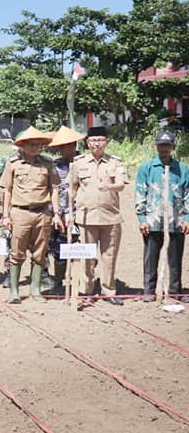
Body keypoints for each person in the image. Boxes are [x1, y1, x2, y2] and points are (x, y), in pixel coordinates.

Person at [0, 127, 62, 303]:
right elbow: (8, 190)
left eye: (38, 144)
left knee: (40, 253)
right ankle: (14, 291)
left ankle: (36, 290)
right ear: (22, 146)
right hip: (20, 213)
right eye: (30, 144)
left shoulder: (48, 164)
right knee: (17, 252)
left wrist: (56, 214)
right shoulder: (13, 164)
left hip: (43, 213)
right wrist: (5, 216)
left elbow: (54, 189)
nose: (35, 147)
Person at [69, 126, 128, 305]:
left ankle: (109, 291)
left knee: (109, 256)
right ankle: (86, 290)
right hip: (86, 218)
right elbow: (72, 188)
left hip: (111, 218)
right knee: (87, 256)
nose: (97, 144)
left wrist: (109, 186)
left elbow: (121, 184)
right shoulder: (78, 163)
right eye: (93, 140)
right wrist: (69, 213)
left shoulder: (115, 163)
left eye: (101, 140)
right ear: (87, 143)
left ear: (107, 142)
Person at [135, 131, 189, 303]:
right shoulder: (147, 167)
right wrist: (142, 219)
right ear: (156, 146)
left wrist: (187, 217)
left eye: (168, 145)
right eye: (161, 145)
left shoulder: (183, 169)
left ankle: (174, 291)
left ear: (173, 147)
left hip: (176, 220)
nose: (164, 149)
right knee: (150, 257)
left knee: (175, 257)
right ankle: (149, 291)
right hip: (153, 221)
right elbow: (140, 193)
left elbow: (187, 194)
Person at [46, 126, 86, 294]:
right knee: (59, 249)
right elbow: (52, 190)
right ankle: (59, 280)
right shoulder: (54, 166)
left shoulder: (84, 163)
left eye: (68, 145)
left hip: (82, 212)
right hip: (59, 214)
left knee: (81, 248)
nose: (65, 149)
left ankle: (80, 280)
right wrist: (57, 213)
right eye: (61, 146)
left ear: (75, 145)